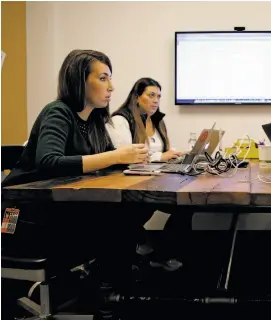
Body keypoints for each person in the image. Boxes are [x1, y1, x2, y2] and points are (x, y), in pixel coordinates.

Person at [1, 49, 151, 317]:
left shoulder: (93, 122)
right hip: (23, 219)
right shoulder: (57, 113)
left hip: (57, 212)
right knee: (119, 227)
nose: (112, 87)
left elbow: (104, 161)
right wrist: (114, 156)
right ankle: (105, 298)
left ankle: (108, 295)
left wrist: (132, 160)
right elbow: (49, 161)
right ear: (79, 80)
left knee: (128, 219)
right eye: (103, 78)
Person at [106, 77, 193, 271]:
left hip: (154, 178)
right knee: (181, 205)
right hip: (128, 182)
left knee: (187, 203)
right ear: (137, 97)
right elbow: (126, 155)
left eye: (159, 96)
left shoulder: (155, 120)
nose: (156, 100)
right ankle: (151, 249)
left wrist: (175, 156)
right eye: (151, 95)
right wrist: (161, 156)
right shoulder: (121, 119)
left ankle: (156, 249)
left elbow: (161, 151)